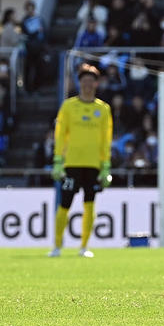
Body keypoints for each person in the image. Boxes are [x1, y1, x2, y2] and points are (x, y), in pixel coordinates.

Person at [49, 64, 112, 257]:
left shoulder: (103, 109)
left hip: (93, 165)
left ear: (96, 84)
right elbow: (60, 135)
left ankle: (84, 247)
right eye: (84, 81)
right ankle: (57, 246)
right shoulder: (68, 107)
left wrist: (105, 166)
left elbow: (106, 139)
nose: (87, 84)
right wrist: (58, 161)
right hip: (71, 163)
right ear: (79, 83)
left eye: (91, 81)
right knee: (64, 204)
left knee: (90, 204)